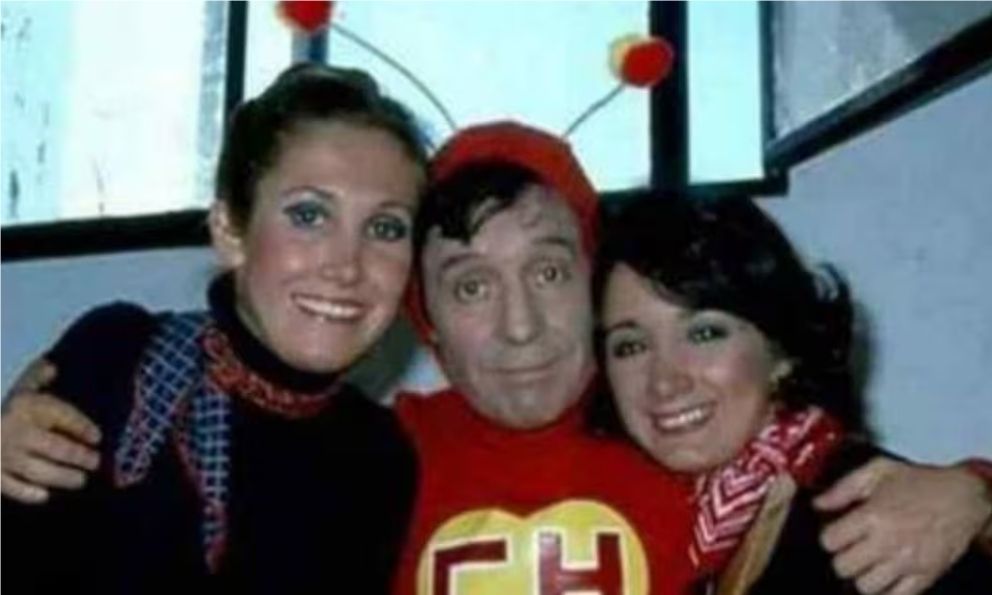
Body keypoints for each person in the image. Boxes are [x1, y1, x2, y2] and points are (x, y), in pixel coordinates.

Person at [5, 121, 991, 595]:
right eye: (471, 285)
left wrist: (973, 493)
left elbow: (825, 477)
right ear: (423, 314)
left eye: (549, 272)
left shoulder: (683, 435)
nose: (518, 328)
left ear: (594, 277)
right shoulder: (374, 458)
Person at [1, 62, 427, 593]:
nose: (347, 266)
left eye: (385, 227)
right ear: (230, 231)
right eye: (309, 216)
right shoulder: (116, 361)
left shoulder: (380, 460)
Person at [592, 193, 992, 594]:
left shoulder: (882, 517)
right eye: (630, 346)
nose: (664, 381)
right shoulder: (659, 531)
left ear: (781, 351)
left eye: (705, 333)